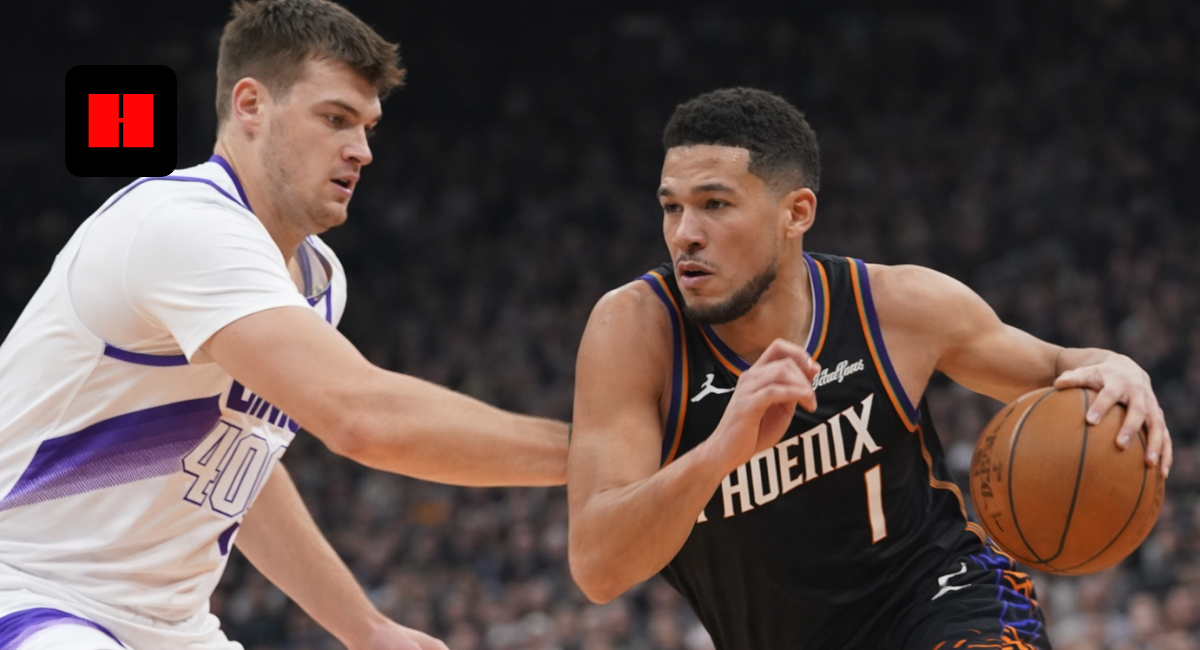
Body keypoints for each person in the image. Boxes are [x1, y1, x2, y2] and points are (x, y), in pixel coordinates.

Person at [0, 1, 567, 649]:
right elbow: (362, 418)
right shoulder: (180, 225)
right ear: (250, 106)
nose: (360, 150)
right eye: (335, 119)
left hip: (174, 628)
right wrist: (595, 453)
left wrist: (366, 627)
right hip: (27, 594)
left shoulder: (317, 277)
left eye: (368, 128)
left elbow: (233, 464)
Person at [566, 87, 1171, 649]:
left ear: (796, 212)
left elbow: (1060, 366)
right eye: (671, 208)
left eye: (715, 204)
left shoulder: (894, 306)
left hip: (941, 598)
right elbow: (599, 567)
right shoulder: (636, 332)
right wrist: (720, 450)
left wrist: (1118, 367)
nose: (684, 235)